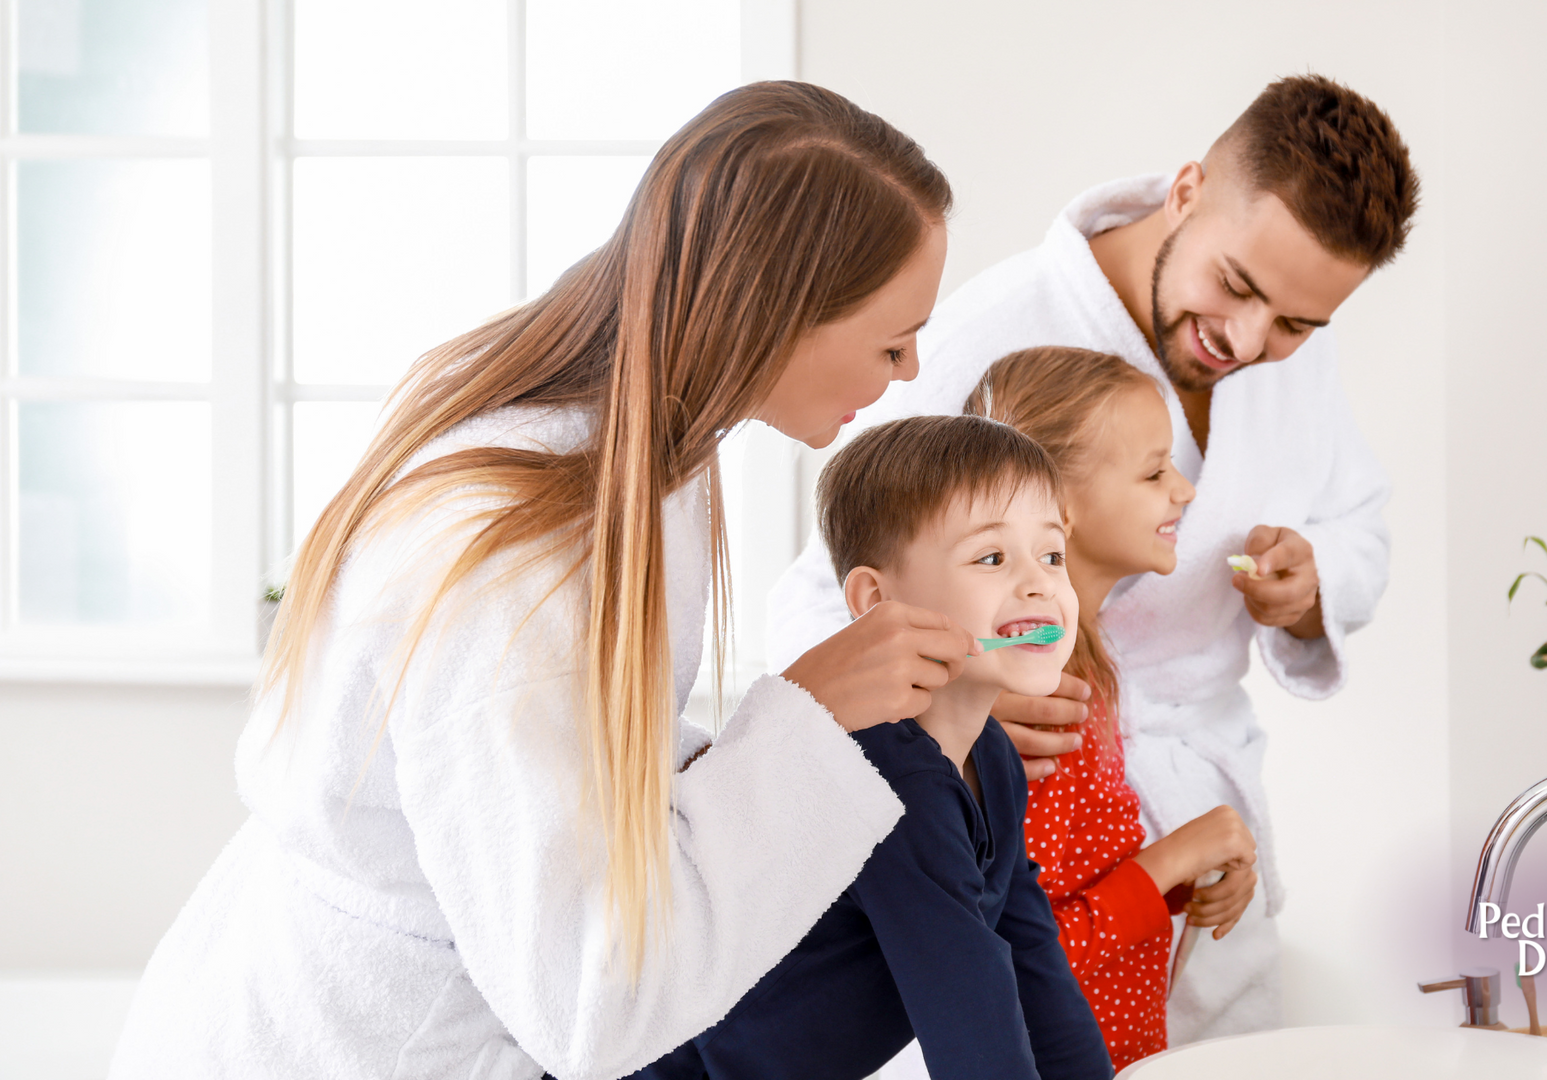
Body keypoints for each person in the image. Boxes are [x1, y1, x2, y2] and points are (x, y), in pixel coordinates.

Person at [107, 82, 983, 1080]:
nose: (914, 368)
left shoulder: (649, 454)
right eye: (890, 340)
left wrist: (835, 727)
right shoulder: (512, 564)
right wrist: (811, 718)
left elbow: (574, 759)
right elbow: (591, 1000)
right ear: (775, 315)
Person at [767, 74, 1420, 1042]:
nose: (1249, 340)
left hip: (1199, 816)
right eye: (1236, 287)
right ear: (1187, 191)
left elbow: (1360, 517)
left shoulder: (1292, 350)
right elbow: (835, 590)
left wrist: (1315, 575)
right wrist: (968, 695)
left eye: (1295, 324)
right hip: (1041, 792)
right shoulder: (988, 338)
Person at [630, 414, 1112, 1080]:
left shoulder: (993, 760)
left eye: (1052, 555)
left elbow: (1032, 964)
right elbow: (973, 1024)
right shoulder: (890, 778)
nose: (1039, 584)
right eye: (993, 558)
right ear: (876, 600)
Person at [963, 346, 1254, 1068]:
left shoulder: (1085, 664)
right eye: (1155, 472)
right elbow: (1026, 952)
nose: (1183, 491)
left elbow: (1077, 890)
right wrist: (1176, 854)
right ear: (1061, 505)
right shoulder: (1040, 696)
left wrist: (1192, 872)